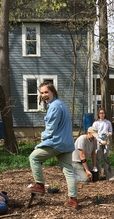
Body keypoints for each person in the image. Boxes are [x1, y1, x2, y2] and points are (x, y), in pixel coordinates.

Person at [24, 81, 78, 210]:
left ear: (53, 92)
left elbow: (51, 128)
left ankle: (40, 185)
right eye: (42, 93)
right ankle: (73, 200)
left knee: (34, 157)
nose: (43, 95)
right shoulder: (61, 105)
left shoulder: (54, 106)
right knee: (69, 171)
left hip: (57, 142)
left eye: (46, 92)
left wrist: (42, 138)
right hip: (67, 143)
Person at [92, 108, 114, 180]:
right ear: (98, 114)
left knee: (106, 157)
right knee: (98, 158)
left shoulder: (108, 122)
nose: (102, 115)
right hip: (98, 141)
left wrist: (108, 134)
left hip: (106, 142)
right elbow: (94, 134)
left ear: (105, 114)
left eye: (103, 113)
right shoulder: (96, 123)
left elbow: (111, 132)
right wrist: (100, 141)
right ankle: (99, 173)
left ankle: (107, 173)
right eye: (100, 113)